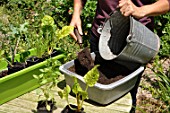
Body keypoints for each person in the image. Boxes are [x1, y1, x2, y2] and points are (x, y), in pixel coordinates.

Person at [69, 0, 170, 112]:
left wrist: (141, 10)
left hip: (135, 43)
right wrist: (76, 13)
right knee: (91, 97)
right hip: (101, 35)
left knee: (125, 100)